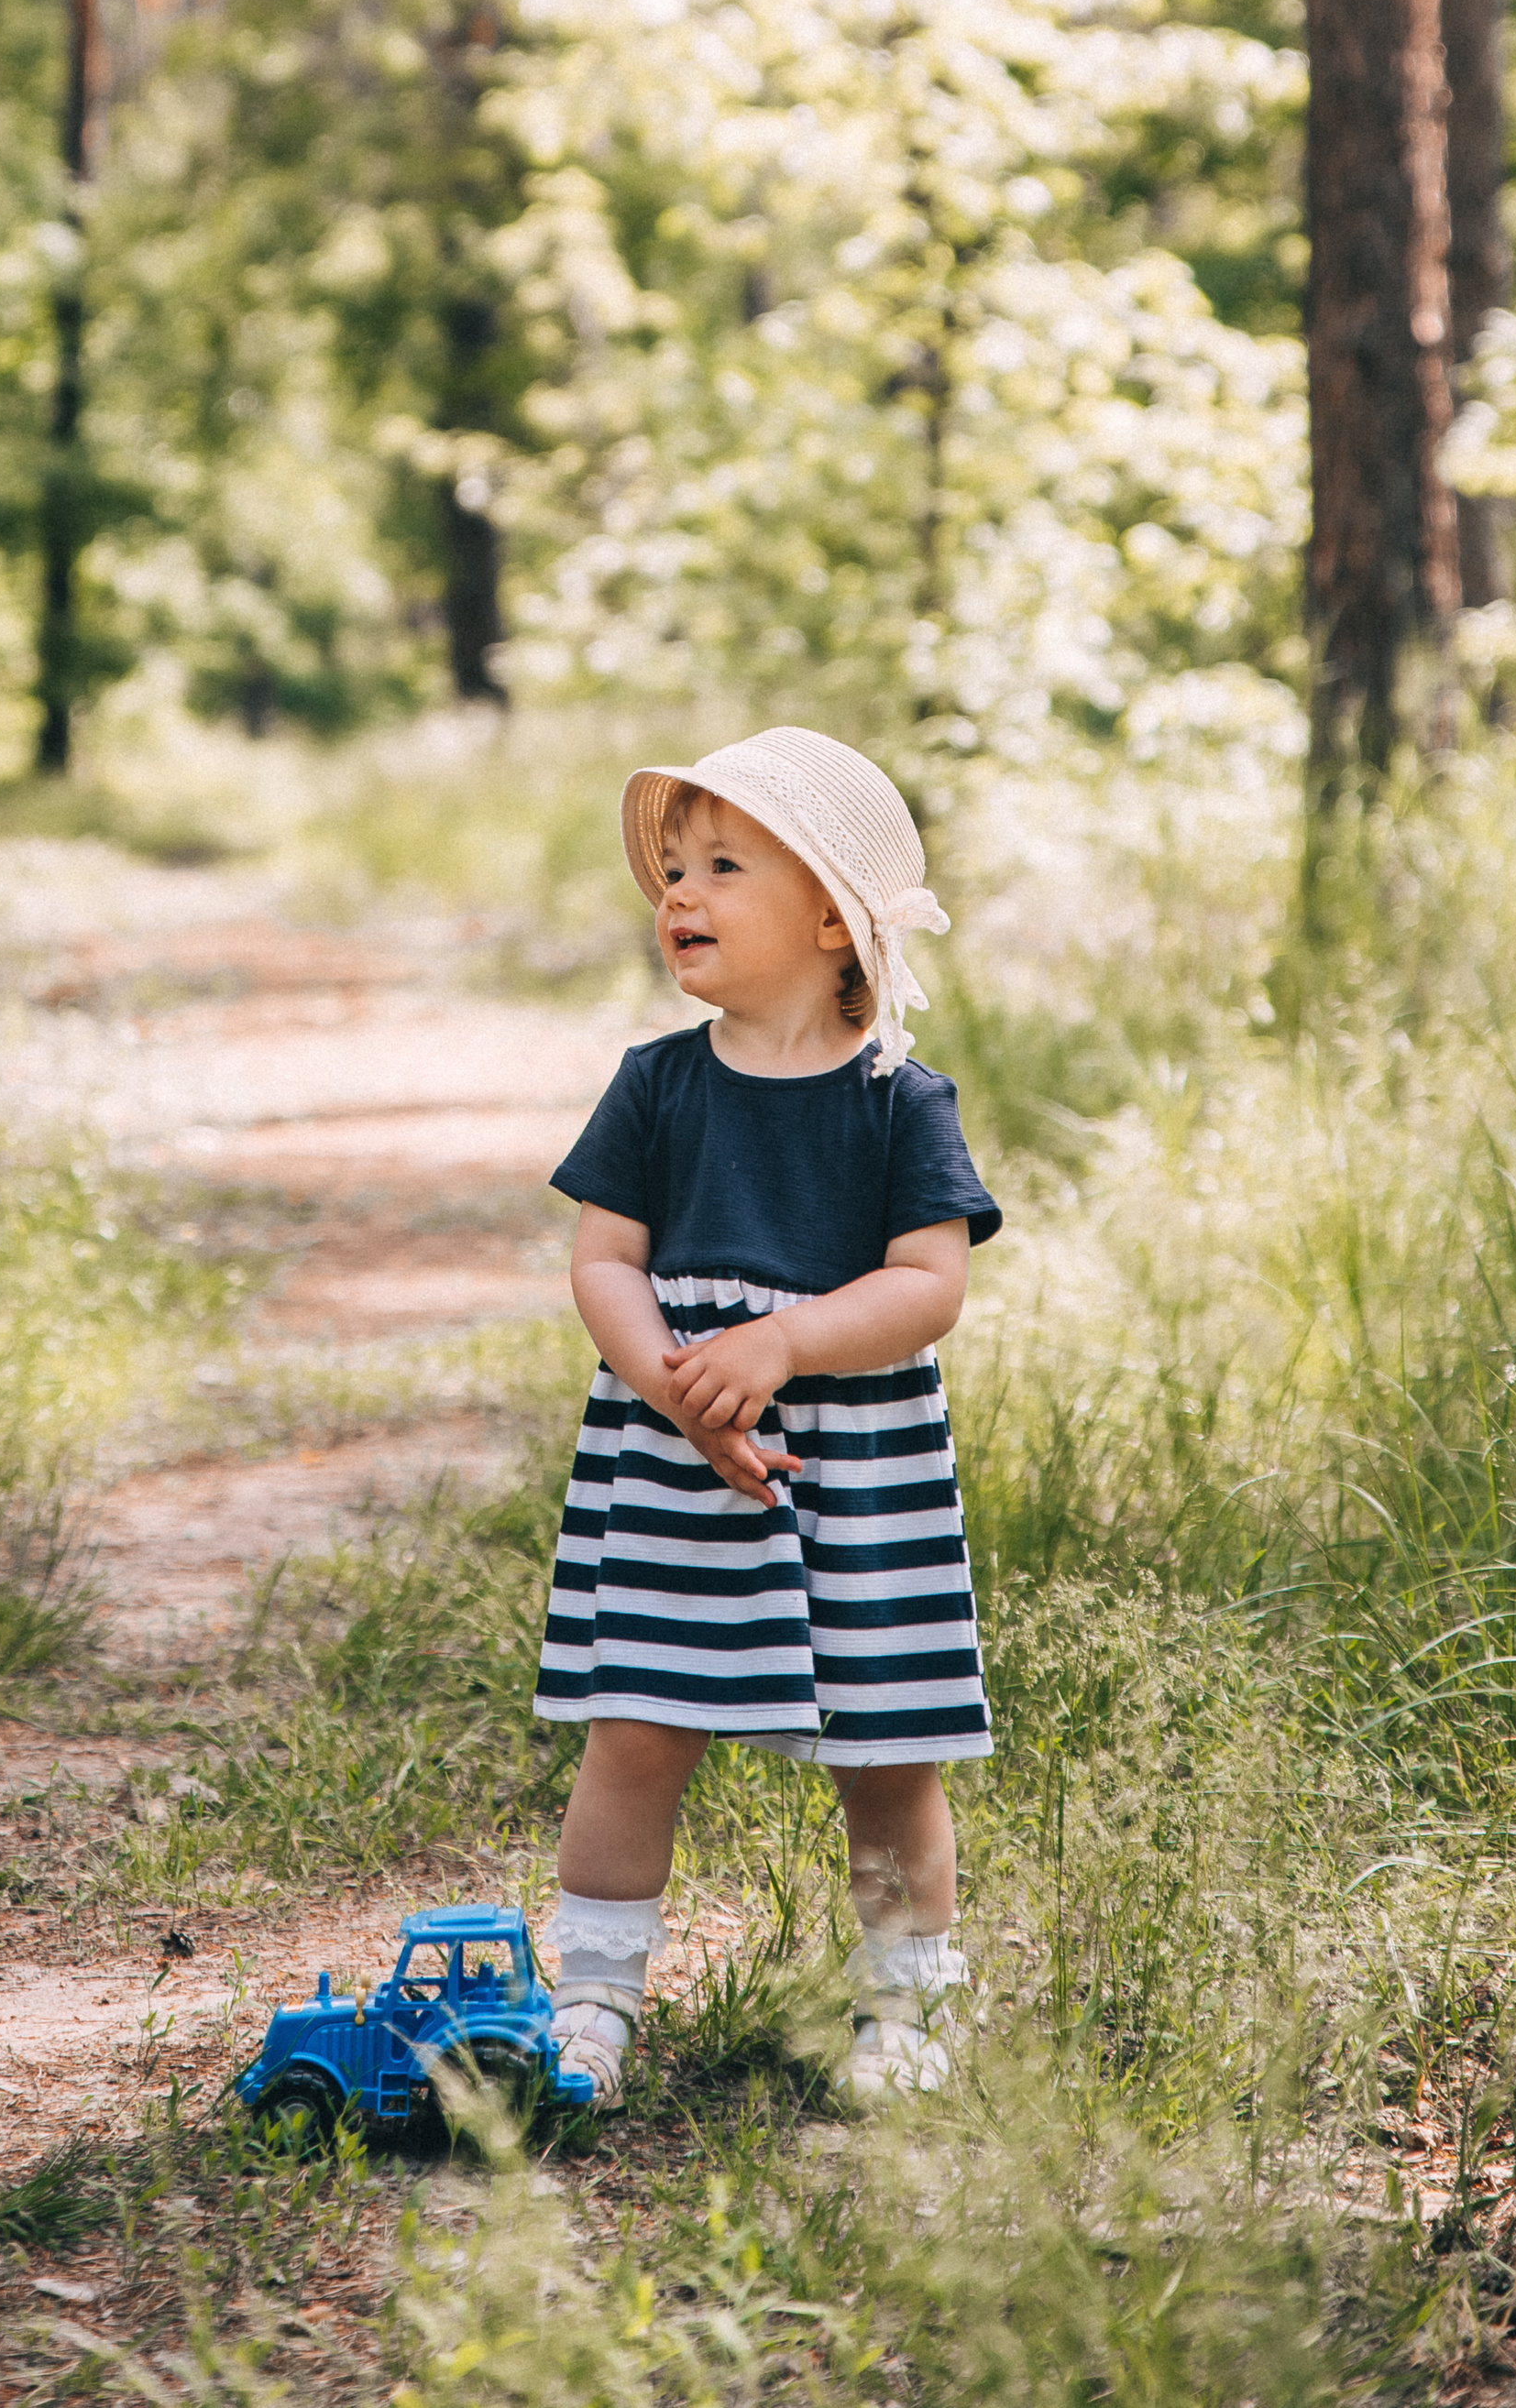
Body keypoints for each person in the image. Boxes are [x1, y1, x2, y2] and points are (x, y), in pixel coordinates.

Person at [532, 727, 1003, 2111]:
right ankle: (594, 1997)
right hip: (674, 1456)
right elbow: (604, 1259)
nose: (679, 892)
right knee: (635, 1726)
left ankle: (909, 2001)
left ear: (827, 916)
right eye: (673, 869)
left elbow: (928, 1287)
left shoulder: (897, 1103)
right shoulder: (659, 1084)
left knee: (888, 1745)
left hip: (858, 1463)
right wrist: (676, 1383)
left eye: (721, 865)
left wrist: (788, 1340)